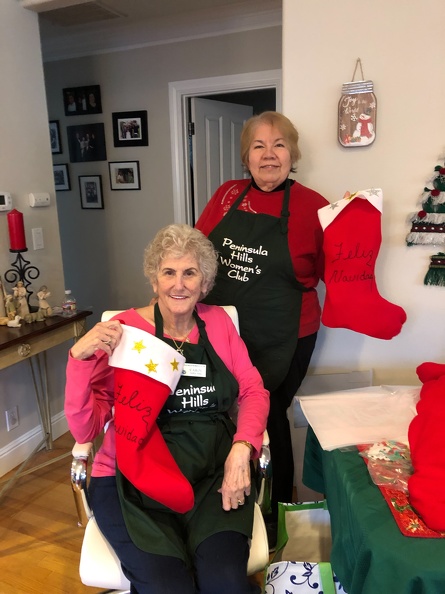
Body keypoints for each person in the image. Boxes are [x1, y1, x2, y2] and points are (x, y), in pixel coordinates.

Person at [64, 224, 269, 594]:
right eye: (168, 272)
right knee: (167, 587)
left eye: (190, 273)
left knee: (224, 582)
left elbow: (253, 391)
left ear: (204, 282)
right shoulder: (122, 331)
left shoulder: (218, 323)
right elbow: (85, 429)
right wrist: (79, 359)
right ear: (154, 279)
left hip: (211, 477)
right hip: (131, 482)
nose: (179, 284)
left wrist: (243, 448)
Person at [195, 111, 330, 543]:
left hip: (286, 332)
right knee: (219, 412)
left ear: (293, 154)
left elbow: (339, 271)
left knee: (269, 414)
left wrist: (353, 222)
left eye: (279, 145)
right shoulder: (227, 195)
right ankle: (221, 502)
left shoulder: (314, 204)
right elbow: (197, 251)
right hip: (224, 330)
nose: (269, 154)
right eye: (258, 146)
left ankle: (275, 515)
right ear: (246, 156)